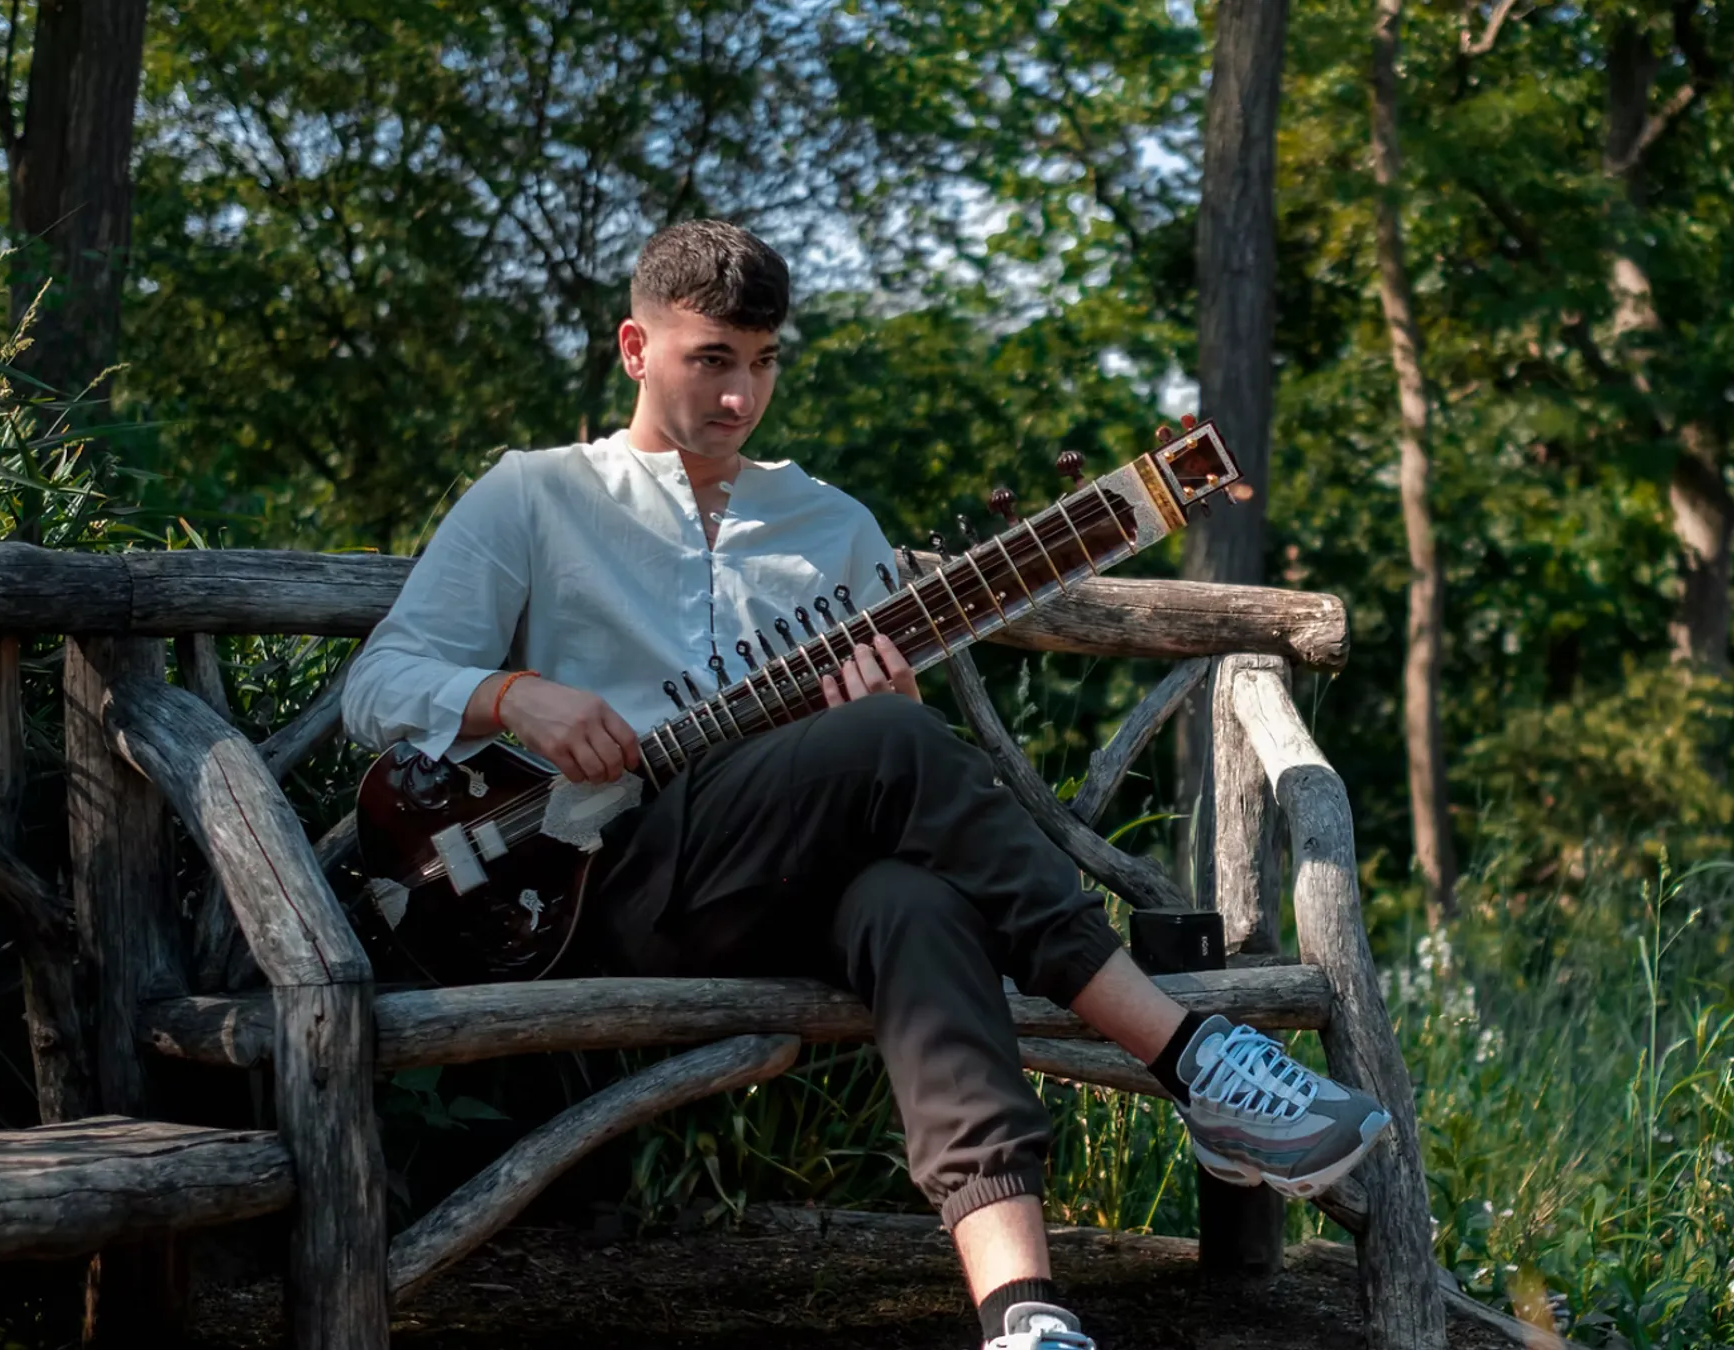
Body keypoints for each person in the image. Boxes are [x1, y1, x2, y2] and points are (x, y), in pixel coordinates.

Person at [342, 220, 1391, 1350]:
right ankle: (1195, 1060)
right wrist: (515, 697)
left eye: (763, 363)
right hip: (595, 889)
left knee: (915, 902)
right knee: (892, 747)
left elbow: (892, 775)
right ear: (635, 349)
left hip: (779, 896)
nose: (741, 397)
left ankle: (1026, 1315)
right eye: (712, 360)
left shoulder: (831, 527)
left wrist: (884, 709)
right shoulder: (535, 496)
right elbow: (380, 685)